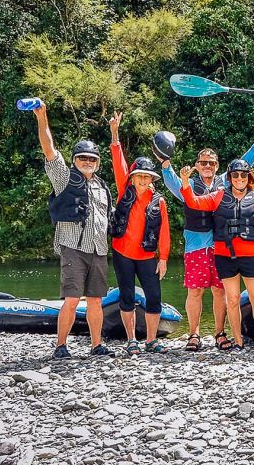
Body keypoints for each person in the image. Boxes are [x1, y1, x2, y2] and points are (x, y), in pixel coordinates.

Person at [159, 126, 254, 351]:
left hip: (221, 246)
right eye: (203, 162)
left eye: (211, 163)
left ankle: (220, 332)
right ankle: (193, 334)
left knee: (221, 291)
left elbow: (244, 165)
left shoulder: (224, 182)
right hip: (196, 244)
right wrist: (164, 161)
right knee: (195, 290)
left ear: (217, 166)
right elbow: (169, 177)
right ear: (197, 165)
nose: (207, 166)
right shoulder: (186, 183)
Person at [179, 158, 254, 351]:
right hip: (225, 256)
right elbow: (194, 203)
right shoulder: (218, 196)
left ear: (248, 177)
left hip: (251, 255)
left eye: (243, 175)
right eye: (235, 175)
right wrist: (185, 182)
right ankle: (238, 341)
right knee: (232, 299)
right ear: (229, 178)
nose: (239, 178)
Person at [32, 102, 114, 359]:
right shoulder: (64, 177)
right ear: (75, 160)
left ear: (98, 163)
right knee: (70, 299)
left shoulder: (103, 186)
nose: (87, 162)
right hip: (73, 248)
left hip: (98, 250)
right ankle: (60, 346)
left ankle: (96, 345)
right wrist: (42, 118)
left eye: (92, 159)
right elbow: (49, 150)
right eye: (83, 158)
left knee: (96, 301)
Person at [108, 113, 171, 355]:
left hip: (147, 256)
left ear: (152, 179)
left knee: (154, 297)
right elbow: (118, 161)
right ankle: (132, 339)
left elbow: (164, 231)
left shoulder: (159, 201)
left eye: (147, 176)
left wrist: (163, 257)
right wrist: (115, 133)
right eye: (139, 176)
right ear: (133, 178)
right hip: (123, 253)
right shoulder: (125, 189)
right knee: (126, 296)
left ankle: (152, 340)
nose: (143, 179)